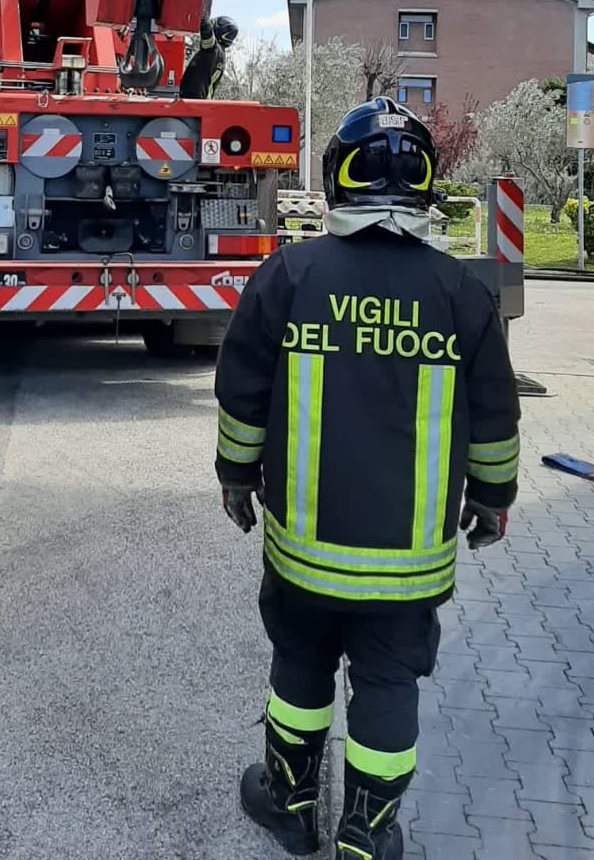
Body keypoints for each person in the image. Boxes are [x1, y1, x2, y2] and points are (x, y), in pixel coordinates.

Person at [214, 98, 520, 859]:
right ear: (425, 184)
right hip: (408, 566)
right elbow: (495, 418)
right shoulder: (462, 293)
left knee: (300, 664)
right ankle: (367, 836)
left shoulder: (289, 275)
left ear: (337, 180)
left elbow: (242, 395)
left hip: (303, 554)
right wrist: (493, 501)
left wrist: (235, 477)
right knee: (388, 685)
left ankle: (290, 806)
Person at [179, 14, 238, 100]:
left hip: (195, 101)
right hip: (200, 101)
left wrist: (203, 15)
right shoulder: (220, 54)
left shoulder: (213, 50)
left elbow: (207, 31)